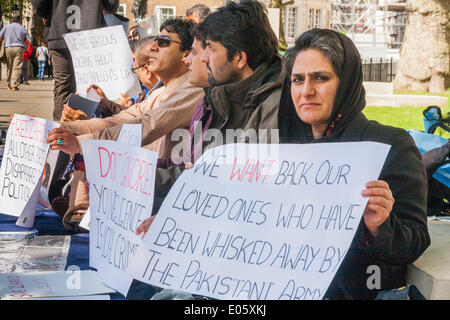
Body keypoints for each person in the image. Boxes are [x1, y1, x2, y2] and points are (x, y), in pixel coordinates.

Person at [278, 28, 430, 299]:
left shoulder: (389, 144)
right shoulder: (287, 151)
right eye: (297, 80)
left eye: (321, 78)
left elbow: (415, 239)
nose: (306, 91)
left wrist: (379, 225)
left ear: (346, 82)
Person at [136, 0, 282, 236]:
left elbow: (251, 195)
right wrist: (129, 174)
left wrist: (182, 219)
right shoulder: (218, 97)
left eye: (211, 49)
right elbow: (194, 175)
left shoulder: (274, 105)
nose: (203, 58)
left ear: (239, 58)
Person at [47, 18, 204, 232]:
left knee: (97, 150)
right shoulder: (160, 92)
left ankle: (83, 209)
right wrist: (68, 129)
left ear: (187, 53)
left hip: (163, 188)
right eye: (156, 40)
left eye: (164, 41)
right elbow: (121, 119)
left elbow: (147, 125)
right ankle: (81, 210)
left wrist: (82, 143)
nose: (154, 47)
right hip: (146, 183)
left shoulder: (192, 89)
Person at [31, 0, 120, 120]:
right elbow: (111, 4)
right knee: (92, 86)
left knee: (63, 85)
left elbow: (39, 3)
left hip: (60, 27)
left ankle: (61, 132)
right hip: (91, 29)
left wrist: (46, 13)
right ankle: (90, 131)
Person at [0, 15, 31, 90]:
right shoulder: (22, 28)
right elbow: (28, 41)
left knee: (9, 66)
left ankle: (8, 82)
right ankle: (14, 84)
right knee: (17, 67)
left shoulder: (6, 27)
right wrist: (26, 48)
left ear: (11, 20)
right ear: (19, 20)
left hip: (8, 48)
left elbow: (0, 37)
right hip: (18, 48)